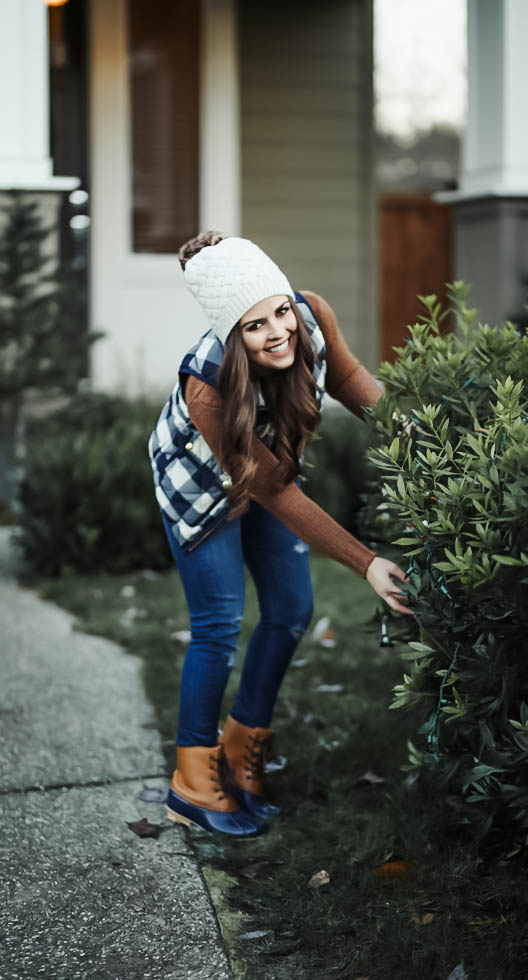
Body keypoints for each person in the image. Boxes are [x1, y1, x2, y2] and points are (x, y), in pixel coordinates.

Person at [148, 232, 412, 839]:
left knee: (292, 609)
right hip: (200, 488)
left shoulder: (312, 314)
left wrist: (424, 440)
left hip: (266, 469)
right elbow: (272, 493)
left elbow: (352, 384)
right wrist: (367, 562)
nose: (277, 332)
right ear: (229, 335)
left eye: (280, 311)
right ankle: (192, 781)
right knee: (217, 626)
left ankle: (241, 760)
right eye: (254, 325)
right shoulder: (208, 388)